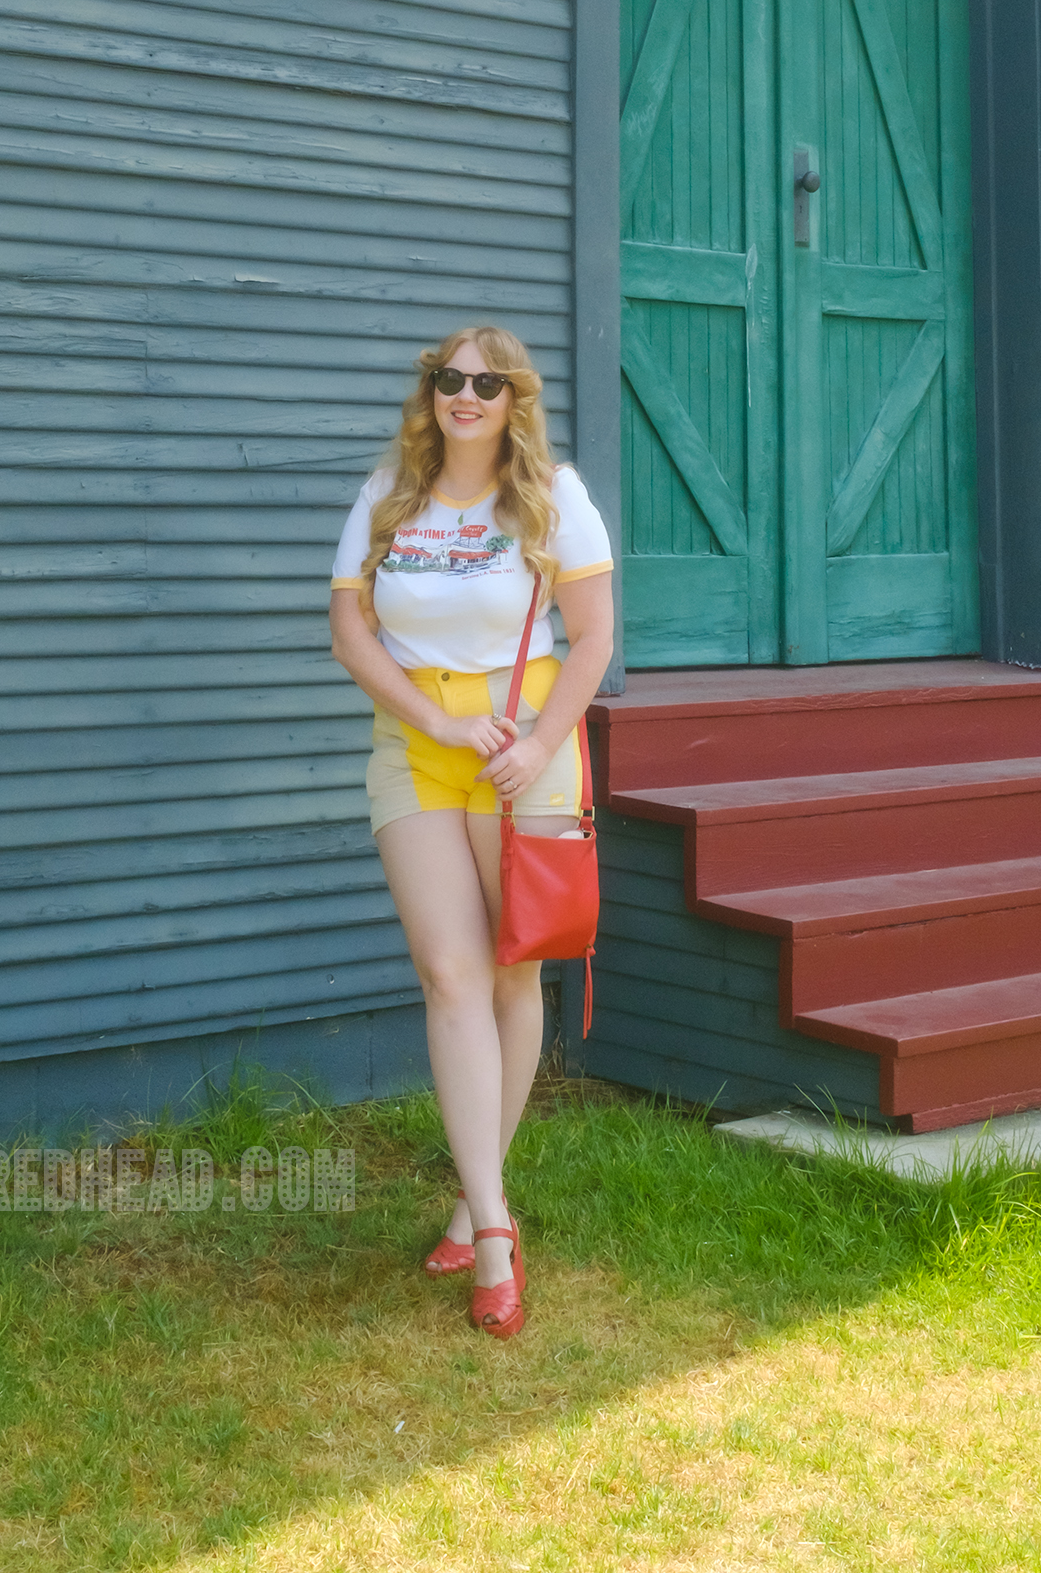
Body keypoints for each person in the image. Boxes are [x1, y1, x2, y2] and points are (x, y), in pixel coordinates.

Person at [329, 326, 614, 1339]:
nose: (464, 394)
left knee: (508, 971)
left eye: (486, 382)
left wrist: (538, 744)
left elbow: (594, 639)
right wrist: (437, 719)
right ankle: (496, 1229)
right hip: (418, 746)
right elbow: (350, 631)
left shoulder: (551, 497)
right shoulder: (387, 496)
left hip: (525, 749)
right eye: (447, 379)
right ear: (430, 392)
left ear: (513, 400)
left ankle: (471, 1198)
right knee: (448, 972)